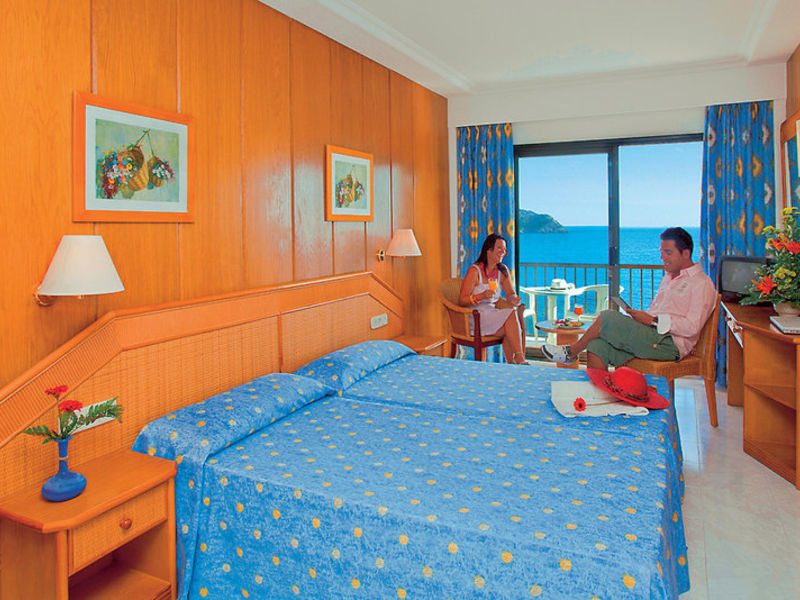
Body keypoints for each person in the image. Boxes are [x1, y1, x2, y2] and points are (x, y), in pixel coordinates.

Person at [542, 227, 717, 370]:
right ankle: (600, 397)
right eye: (662, 252)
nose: (662, 257)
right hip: (653, 334)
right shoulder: (669, 278)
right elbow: (658, 312)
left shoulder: (701, 283)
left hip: (670, 344)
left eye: (668, 253)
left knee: (607, 317)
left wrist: (653, 321)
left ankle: (571, 352)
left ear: (686, 254)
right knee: (596, 345)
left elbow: (692, 327)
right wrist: (643, 319)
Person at [459, 234, 528, 364]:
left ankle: (512, 364)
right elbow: (462, 300)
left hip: (492, 315)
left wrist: (513, 299)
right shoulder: (474, 271)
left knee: (510, 330)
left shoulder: (502, 271)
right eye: (499, 248)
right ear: (489, 250)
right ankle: (519, 358)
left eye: (504, 249)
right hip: (475, 317)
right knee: (511, 315)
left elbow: (510, 294)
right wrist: (480, 296)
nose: (503, 252)